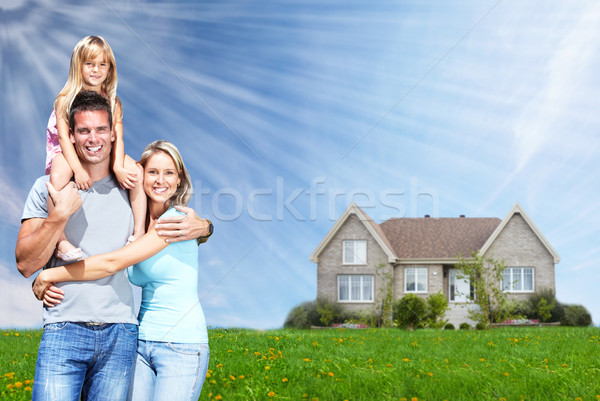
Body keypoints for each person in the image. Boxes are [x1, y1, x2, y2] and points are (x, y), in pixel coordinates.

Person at [15, 91, 210, 401]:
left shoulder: (152, 206)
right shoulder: (49, 188)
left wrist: (205, 227)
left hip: (129, 337)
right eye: (84, 130)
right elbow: (24, 263)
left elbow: (120, 258)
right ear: (71, 136)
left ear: (113, 133)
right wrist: (58, 217)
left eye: (101, 129)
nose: (93, 138)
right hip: (77, 331)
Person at [47, 35, 145, 261]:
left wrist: (119, 166)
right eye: (89, 64)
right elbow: (63, 138)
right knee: (58, 176)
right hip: (69, 152)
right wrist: (78, 170)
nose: (96, 70)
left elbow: (117, 137)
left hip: (103, 152)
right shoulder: (65, 98)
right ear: (78, 65)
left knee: (137, 172)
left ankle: (139, 230)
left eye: (103, 64)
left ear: (110, 69)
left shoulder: (113, 101)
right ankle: (61, 241)